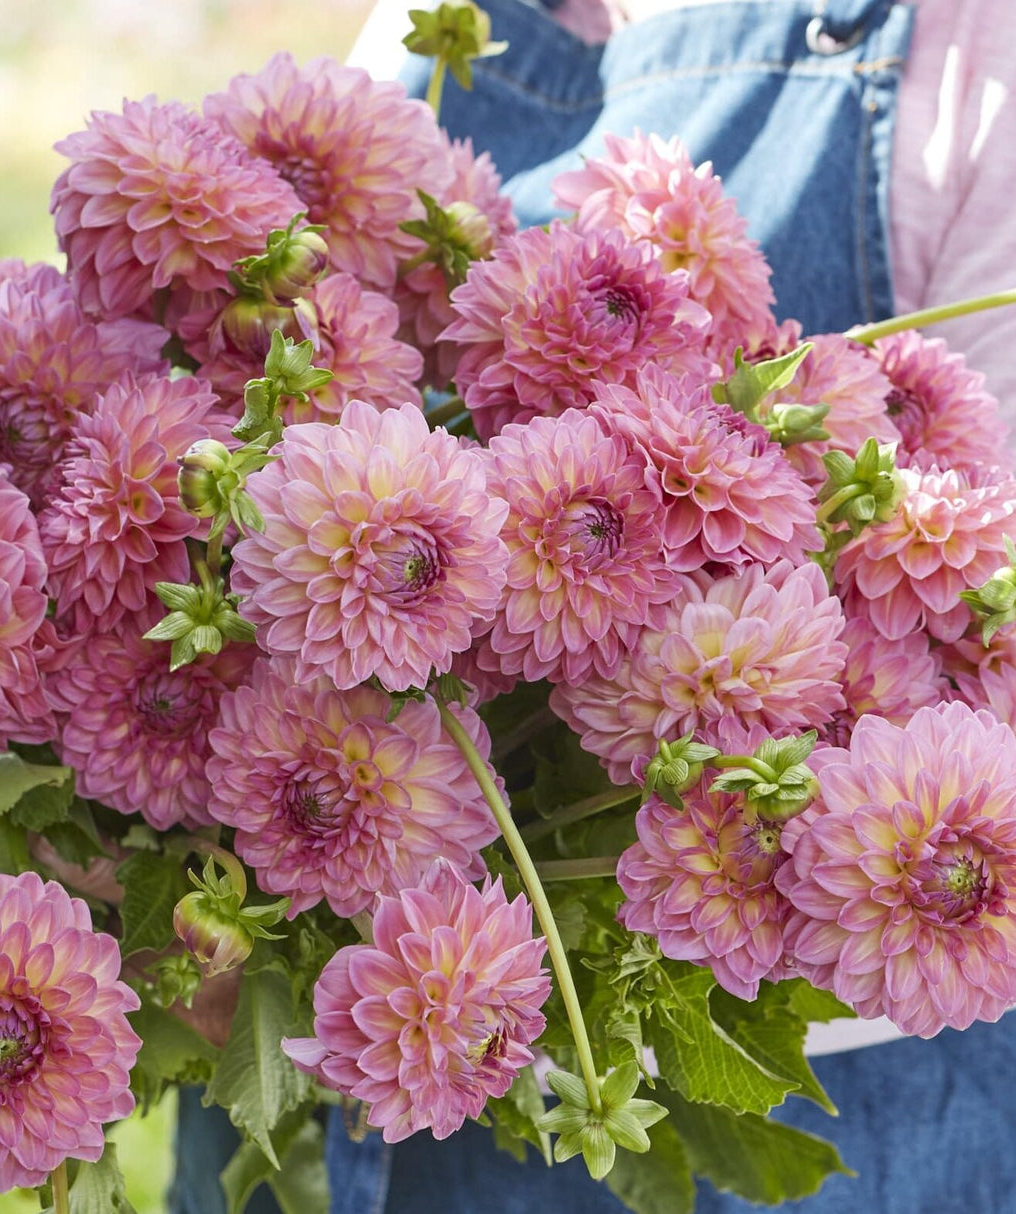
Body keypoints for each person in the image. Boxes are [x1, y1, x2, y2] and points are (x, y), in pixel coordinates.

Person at [170, 3, 1016, 1211]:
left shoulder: (976, 59)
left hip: (763, 1108)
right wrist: (156, 870)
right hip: (312, 1072)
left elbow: (983, 618)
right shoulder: (425, 41)